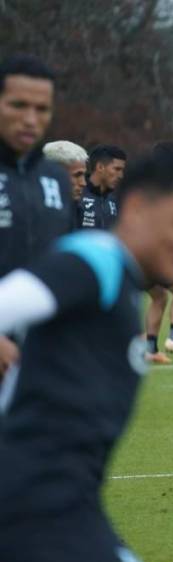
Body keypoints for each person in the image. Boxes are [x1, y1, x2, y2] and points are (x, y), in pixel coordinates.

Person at [0, 146, 173, 562]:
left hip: (69, 505)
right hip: (33, 508)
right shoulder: (96, 261)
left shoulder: (121, 281)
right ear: (138, 207)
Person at [0, 55, 73, 378]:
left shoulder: (55, 179)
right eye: (18, 105)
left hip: (37, 366)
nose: (30, 119)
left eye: (42, 109)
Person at [77, 144, 126, 229]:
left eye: (122, 170)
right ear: (100, 167)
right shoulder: (77, 194)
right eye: (117, 169)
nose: (121, 175)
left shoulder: (116, 200)